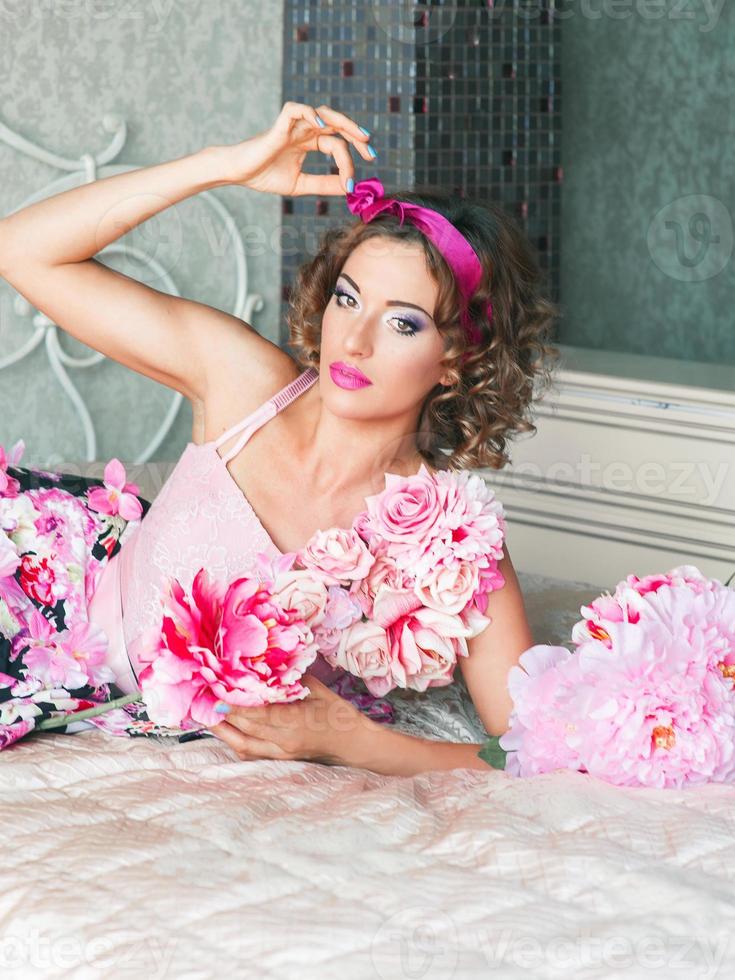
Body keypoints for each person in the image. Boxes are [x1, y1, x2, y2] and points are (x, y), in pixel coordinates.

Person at [0, 102, 560, 774]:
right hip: (42, 596)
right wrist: (222, 167)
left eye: (403, 324)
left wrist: (354, 742)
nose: (352, 340)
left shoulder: (451, 550)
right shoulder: (245, 386)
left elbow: (534, 752)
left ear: (458, 358)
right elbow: (22, 251)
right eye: (347, 299)